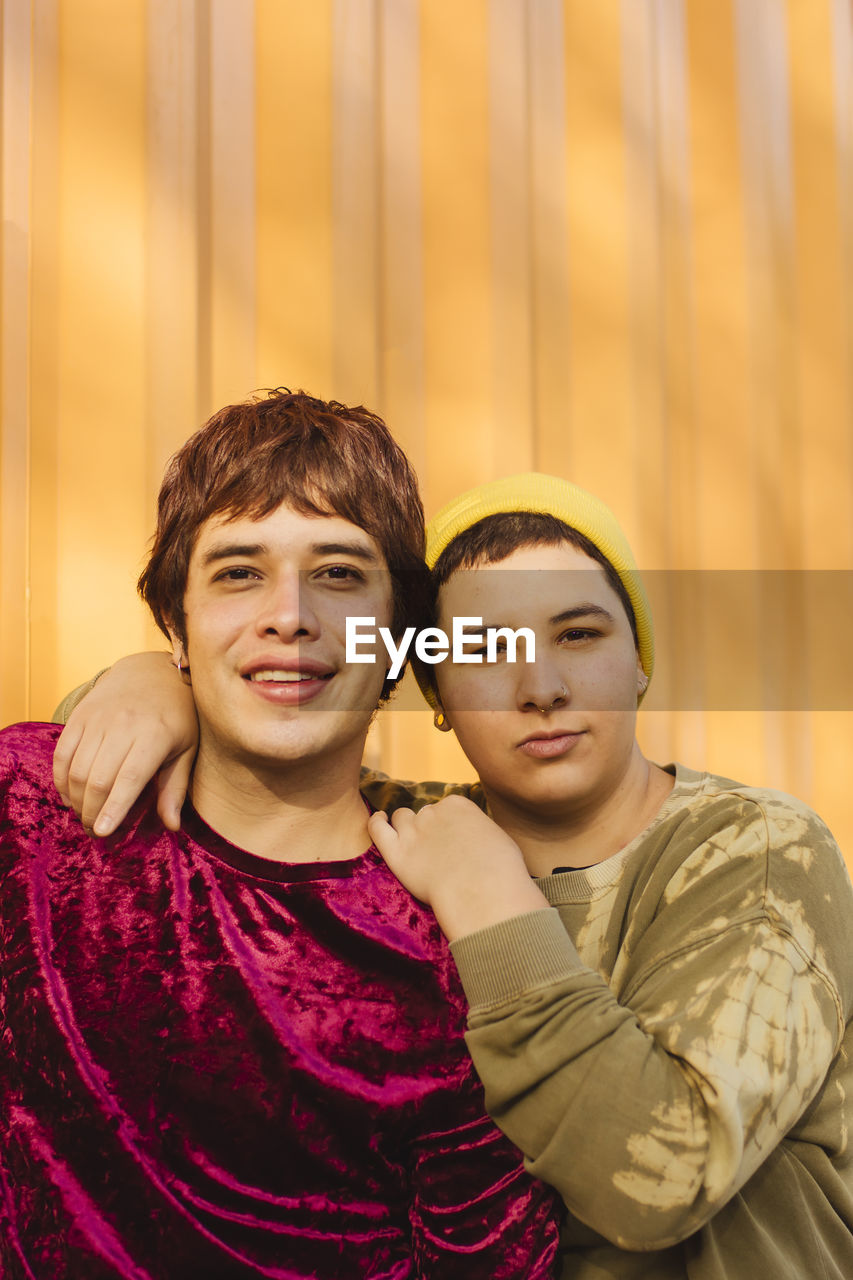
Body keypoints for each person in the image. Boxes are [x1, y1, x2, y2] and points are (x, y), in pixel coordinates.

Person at [51, 471, 853, 1278]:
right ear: (434, 689)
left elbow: (666, 1174)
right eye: (483, 649)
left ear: (639, 661)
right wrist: (152, 682)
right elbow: (205, 778)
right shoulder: (401, 837)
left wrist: (490, 903)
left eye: (578, 635)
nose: (541, 688)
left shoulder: (757, 853)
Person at [0, 396, 562, 1279]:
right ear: (176, 629)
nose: (289, 615)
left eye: (338, 574)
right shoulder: (33, 805)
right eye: (236, 573)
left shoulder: (462, 938)